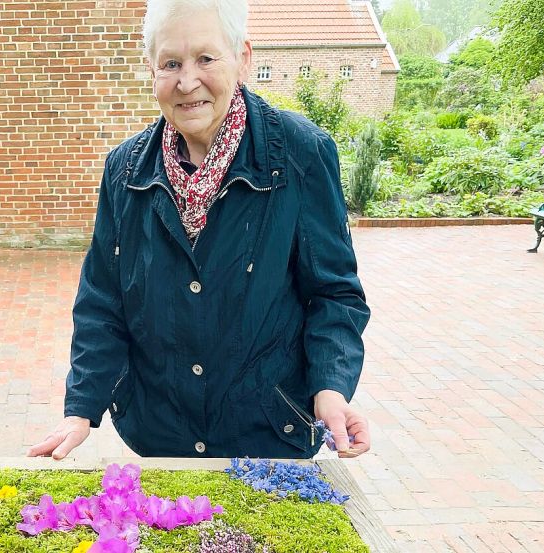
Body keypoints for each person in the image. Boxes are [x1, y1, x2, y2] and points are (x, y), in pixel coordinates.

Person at [28, 0, 371, 460]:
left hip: (269, 436)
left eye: (206, 59)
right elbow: (102, 302)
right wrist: (82, 408)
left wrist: (331, 388)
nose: (188, 82)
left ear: (243, 59)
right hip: (160, 438)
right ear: (152, 70)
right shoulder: (124, 171)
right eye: (171, 63)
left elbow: (333, 294)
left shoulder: (299, 154)